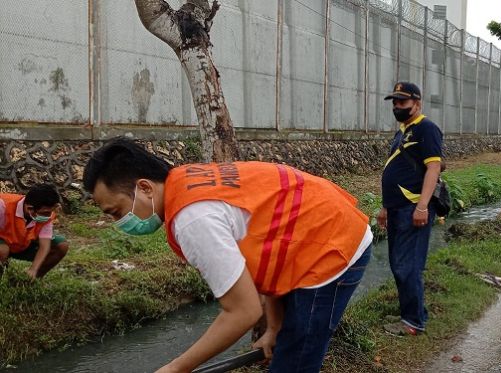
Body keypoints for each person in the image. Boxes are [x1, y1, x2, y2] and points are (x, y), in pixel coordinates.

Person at [83, 138, 373, 373]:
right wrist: (273, 327)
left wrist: (177, 367)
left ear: (144, 187)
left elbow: (243, 311)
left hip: (332, 242)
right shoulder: (182, 180)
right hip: (312, 231)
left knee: (295, 358)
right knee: (289, 342)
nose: (119, 223)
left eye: (117, 212)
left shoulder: (193, 219)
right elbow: (268, 246)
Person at [377, 82, 443, 336]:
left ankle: (413, 322)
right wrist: (385, 207)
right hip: (397, 209)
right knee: (398, 263)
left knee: (408, 265)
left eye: (402, 102)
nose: (397, 107)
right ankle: (412, 313)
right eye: (394, 102)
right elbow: (396, 171)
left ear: (417, 103)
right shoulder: (403, 131)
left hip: (413, 208)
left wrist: (423, 206)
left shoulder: (427, 128)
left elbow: (433, 168)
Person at [0, 184, 68, 280]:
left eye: (51, 211)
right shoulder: (3, 206)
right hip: (3, 243)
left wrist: (33, 269)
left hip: (22, 244)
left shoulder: (46, 216)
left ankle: (29, 280)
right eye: (45, 213)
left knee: (61, 246)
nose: (49, 215)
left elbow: (45, 245)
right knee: (2, 250)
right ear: (30, 209)